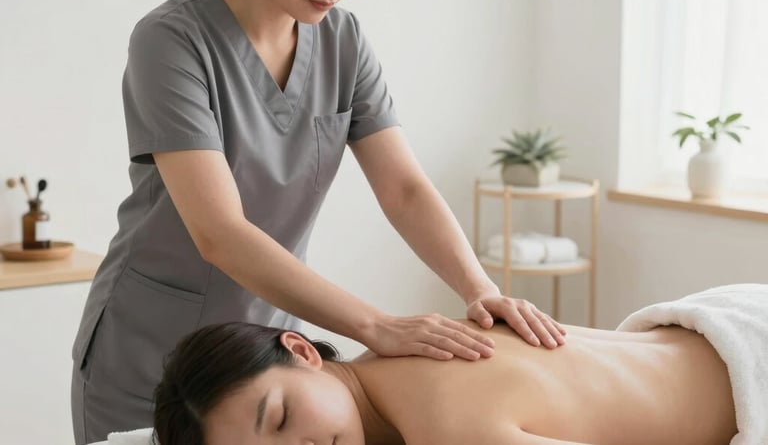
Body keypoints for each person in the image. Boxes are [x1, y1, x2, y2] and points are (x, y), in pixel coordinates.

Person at [70, 0, 566, 443]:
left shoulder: (342, 41)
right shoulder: (171, 40)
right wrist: (376, 326)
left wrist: (479, 289)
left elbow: (404, 189)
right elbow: (219, 233)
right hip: (150, 349)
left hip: (264, 358)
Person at [152, 284, 768, 445]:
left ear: (304, 351)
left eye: (283, 418)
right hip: (725, 318)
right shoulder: (397, 354)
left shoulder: (447, 428)